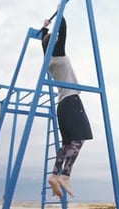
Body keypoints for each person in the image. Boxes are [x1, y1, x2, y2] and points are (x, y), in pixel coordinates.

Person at [40, 15, 93, 198]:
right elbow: (62, 31)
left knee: (67, 143)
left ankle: (55, 175)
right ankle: (65, 176)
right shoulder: (59, 55)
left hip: (62, 105)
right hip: (71, 101)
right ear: (54, 44)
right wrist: (60, 12)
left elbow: (44, 43)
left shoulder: (48, 60)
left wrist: (44, 29)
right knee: (78, 140)